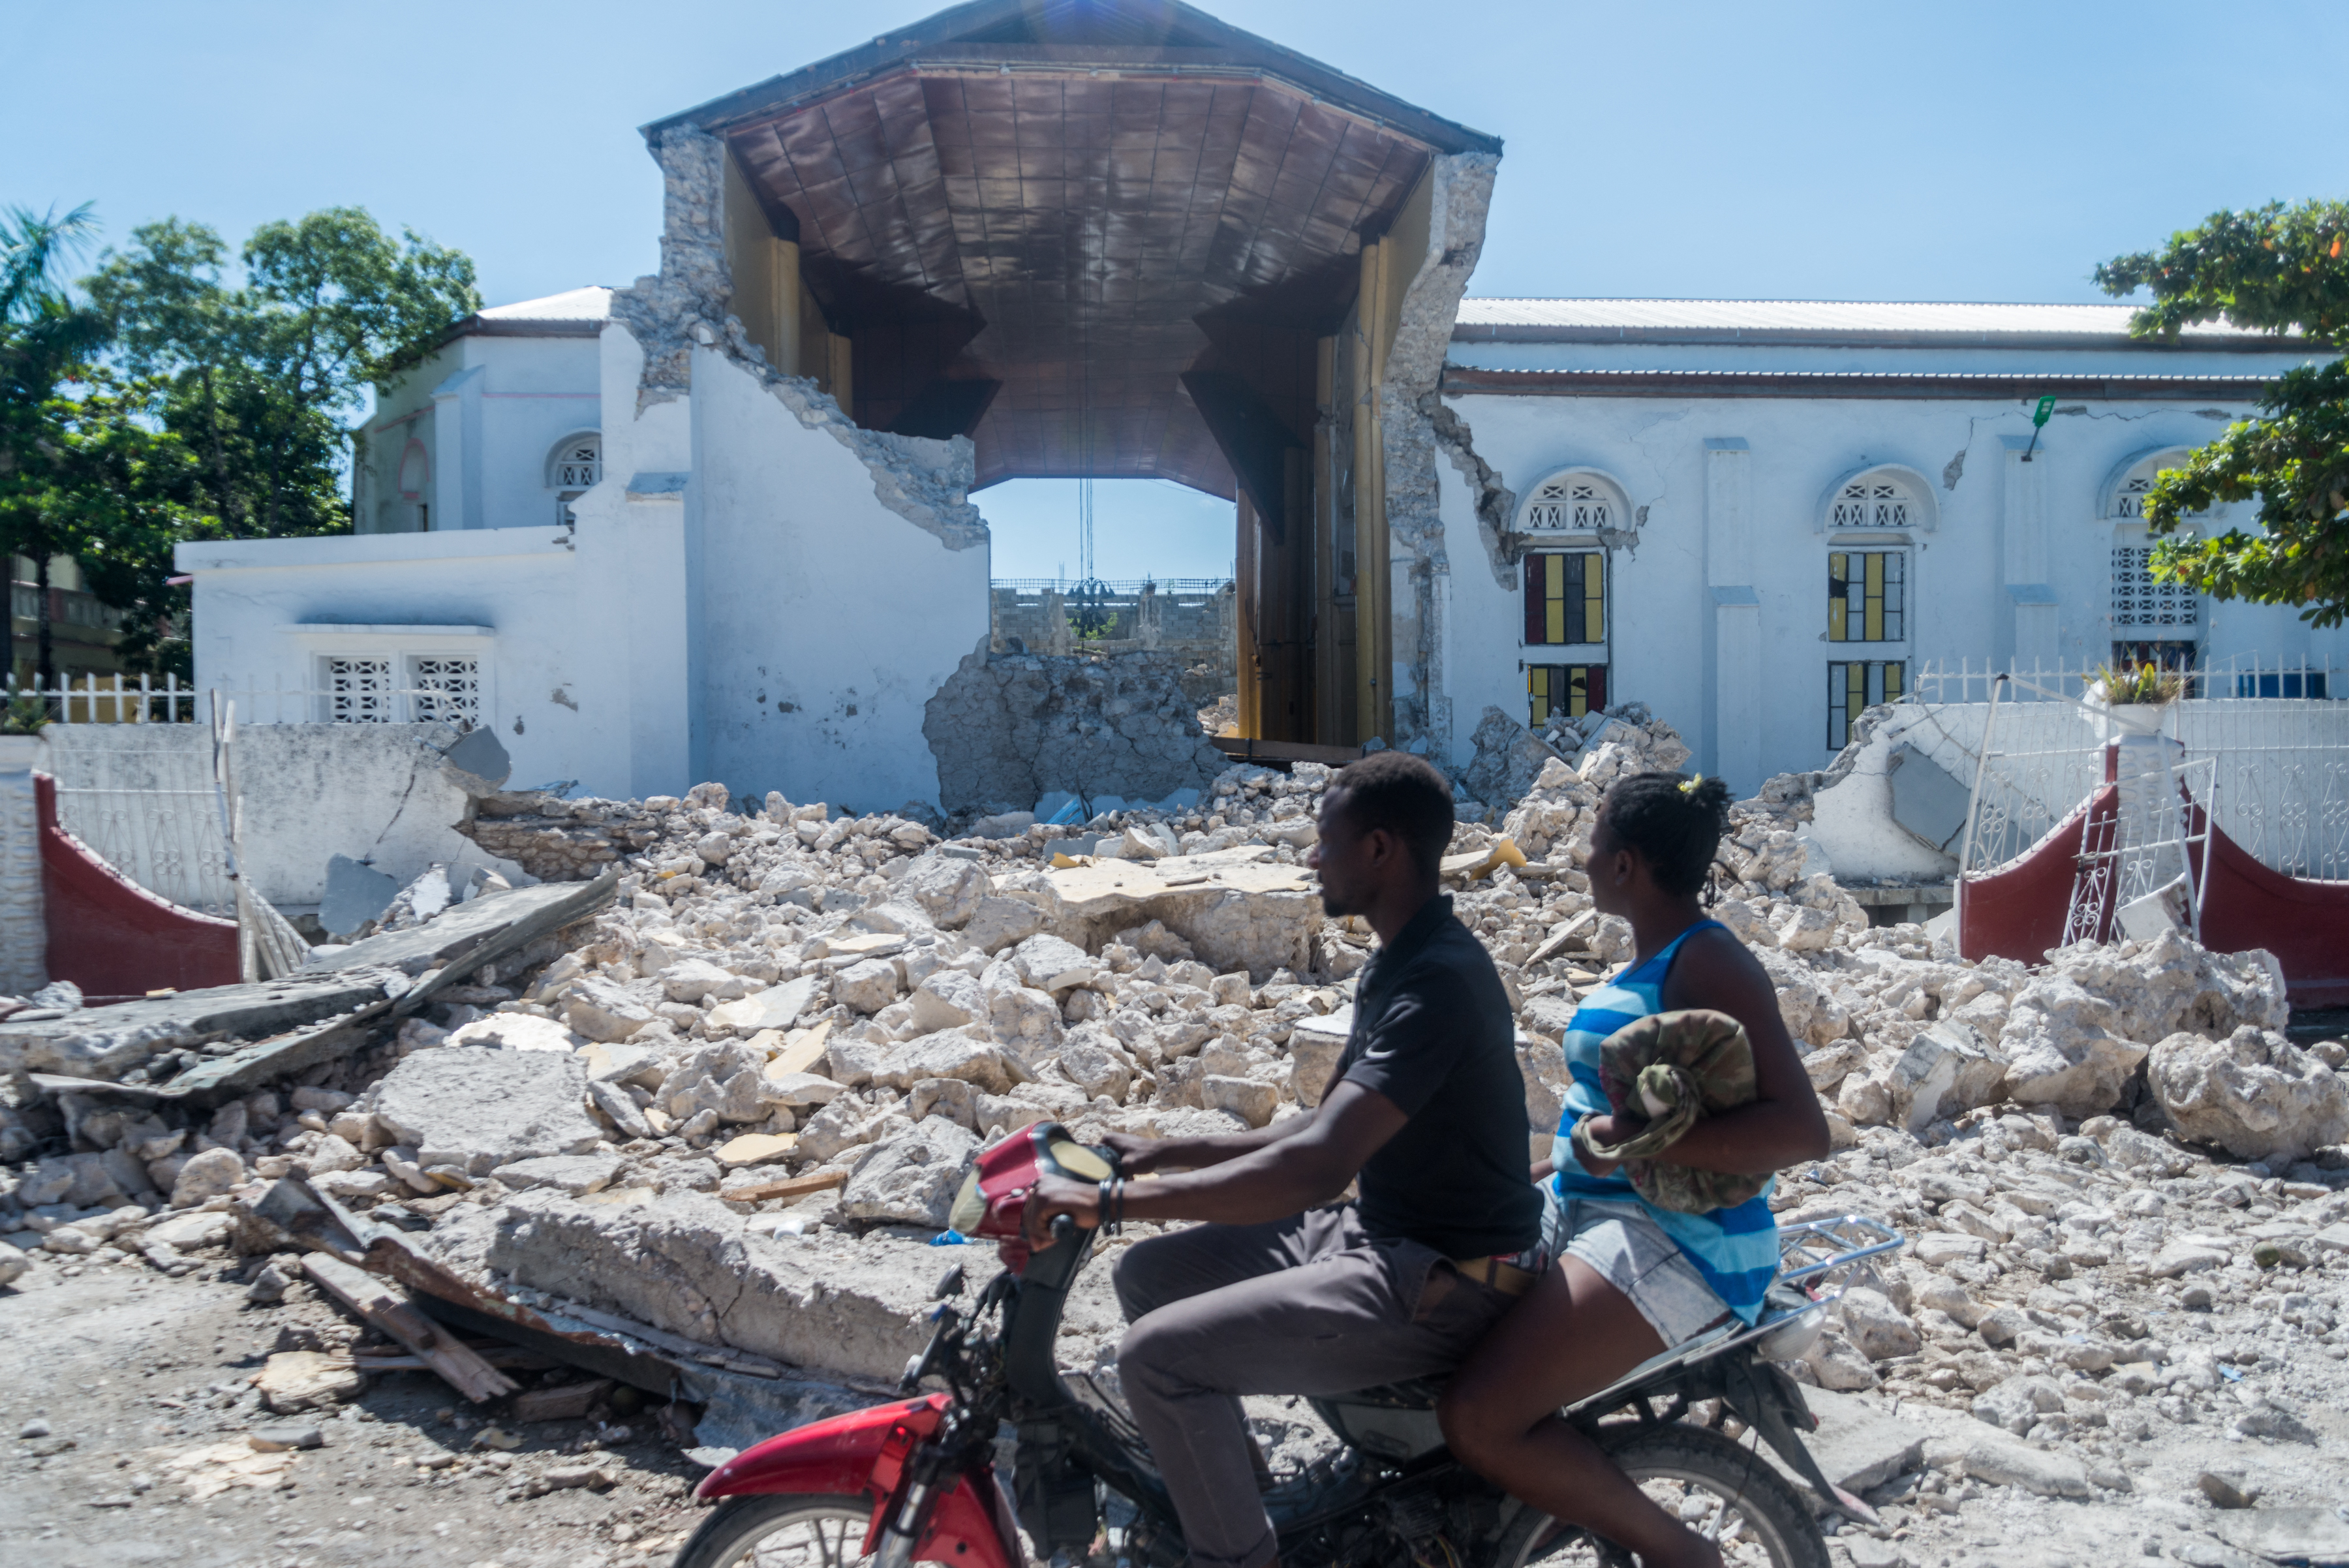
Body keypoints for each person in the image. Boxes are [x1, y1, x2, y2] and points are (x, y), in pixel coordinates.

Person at [1022, 750, 1543, 1568]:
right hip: (1383, 1238)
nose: (1310, 858)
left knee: (1153, 1360)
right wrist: (1156, 1151)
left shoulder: (1437, 981)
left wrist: (1117, 1206)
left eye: (1322, 840)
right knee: (1148, 1279)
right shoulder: (1400, 960)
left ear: (1379, 849)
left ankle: (1235, 1558)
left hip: (1441, 1278)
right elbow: (1318, 1128)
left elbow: (1316, 1172)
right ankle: (1253, 1513)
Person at [1437, 773, 1831, 1568]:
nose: (1579, 856)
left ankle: (1685, 1555)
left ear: (1625, 866)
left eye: (1593, 841)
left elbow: (1802, 1130)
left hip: (1679, 1240)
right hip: (1591, 1212)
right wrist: (1541, 1171)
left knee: (1477, 1416)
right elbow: (1599, 1129)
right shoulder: (1648, 960)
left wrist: (1622, 1142)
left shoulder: (1709, 958)